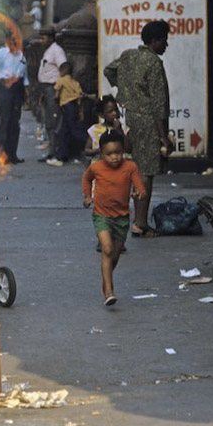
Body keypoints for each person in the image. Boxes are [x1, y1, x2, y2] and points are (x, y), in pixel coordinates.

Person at [103, 19, 172, 238]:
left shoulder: (127, 56)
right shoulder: (153, 63)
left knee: (133, 170)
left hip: (128, 119)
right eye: (164, 41)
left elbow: (108, 70)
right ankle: (140, 223)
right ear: (154, 41)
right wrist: (164, 138)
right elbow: (158, 105)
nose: (166, 46)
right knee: (146, 174)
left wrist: (124, 90)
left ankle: (136, 220)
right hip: (148, 123)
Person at [82, 130, 147, 306]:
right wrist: (88, 196)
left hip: (122, 218)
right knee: (107, 249)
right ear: (102, 154)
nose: (114, 157)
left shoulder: (130, 166)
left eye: (118, 152)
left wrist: (139, 193)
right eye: (109, 154)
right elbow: (86, 179)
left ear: (123, 151)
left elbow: (141, 187)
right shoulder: (96, 167)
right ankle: (109, 291)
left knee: (115, 255)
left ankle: (106, 280)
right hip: (101, 215)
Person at [0, 34, 28, 164]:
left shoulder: (21, 55)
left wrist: (25, 93)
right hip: (4, 89)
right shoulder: (0, 54)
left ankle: (13, 154)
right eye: (12, 40)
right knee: (5, 122)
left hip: (17, 89)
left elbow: (25, 76)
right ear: (7, 41)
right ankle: (3, 155)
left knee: (15, 123)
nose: (14, 43)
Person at [36, 26, 67, 161]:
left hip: (53, 88)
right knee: (48, 122)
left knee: (55, 122)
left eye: (44, 38)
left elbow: (64, 68)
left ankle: (57, 153)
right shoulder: (48, 51)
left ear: (51, 38)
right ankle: (52, 151)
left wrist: (58, 88)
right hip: (46, 88)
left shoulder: (57, 51)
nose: (42, 41)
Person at [47, 61, 87, 166]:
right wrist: (80, 111)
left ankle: (89, 142)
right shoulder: (75, 82)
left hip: (66, 107)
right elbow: (80, 96)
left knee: (72, 130)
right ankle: (62, 155)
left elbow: (56, 93)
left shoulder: (61, 80)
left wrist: (56, 100)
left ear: (63, 71)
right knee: (65, 131)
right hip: (74, 106)